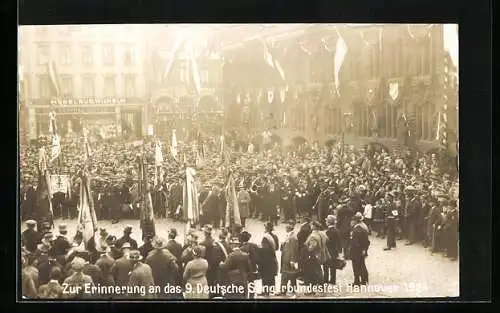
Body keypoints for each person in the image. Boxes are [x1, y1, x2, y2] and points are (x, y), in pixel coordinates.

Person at [304, 221, 330, 294]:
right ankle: (320, 287)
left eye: (312, 225)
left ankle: (313, 289)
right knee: (318, 271)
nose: (311, 226)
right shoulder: (322, 233)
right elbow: (327, 240)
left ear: (314, 226)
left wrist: (307, 248)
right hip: (322, 254)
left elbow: (312, 247)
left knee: (313, 272)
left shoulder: (313, 236)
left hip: (314, 256)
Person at [278, 221, 299, 296]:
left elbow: (293, 250)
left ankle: (282, 291)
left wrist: (292, 260)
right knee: (292, 275)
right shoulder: (290, 236)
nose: (285, 229)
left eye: (286, 228)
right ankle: (293, 289)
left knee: (285, 275)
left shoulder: (292, 238)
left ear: (289, 229)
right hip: (288, 258)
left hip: (288, 259)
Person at [259, 222, 279, 296]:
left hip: (265, 259)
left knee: (265, 275)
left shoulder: (265, 237)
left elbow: (264, 249)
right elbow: (277, 248)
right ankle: (272, 290)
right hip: (272, 257)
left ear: (267, 228)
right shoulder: (275, 236)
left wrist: (258, 249)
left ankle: (265, 291)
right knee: (271, 275)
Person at [350, 213, 370, 286]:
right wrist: (364, 249)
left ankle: (357, 281)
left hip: (356, 251)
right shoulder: (364, 227)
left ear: (355, 221)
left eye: (353, 220)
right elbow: (367, 241)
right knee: (362, 265)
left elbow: (355, 242)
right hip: (362, 250)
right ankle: (364, 280)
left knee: (356, 266)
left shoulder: (356, 230)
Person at [239, 231, 260, 299]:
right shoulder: (254, 245)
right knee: (251, 283)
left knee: (244, 283)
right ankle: (252, 297)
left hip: (244, 269)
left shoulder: (241, 249)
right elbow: (258, 257)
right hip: (253, 267)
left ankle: (244, 297)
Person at [324, 215, 341, 285]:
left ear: (329, 222)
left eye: (326, 221)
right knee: (333, 266)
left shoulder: (328, 232)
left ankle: (325, 279)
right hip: (334, 250)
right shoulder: (337, 230)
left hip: (328, 250)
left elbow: (326, 242)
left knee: (326, 266)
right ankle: (333, 280)